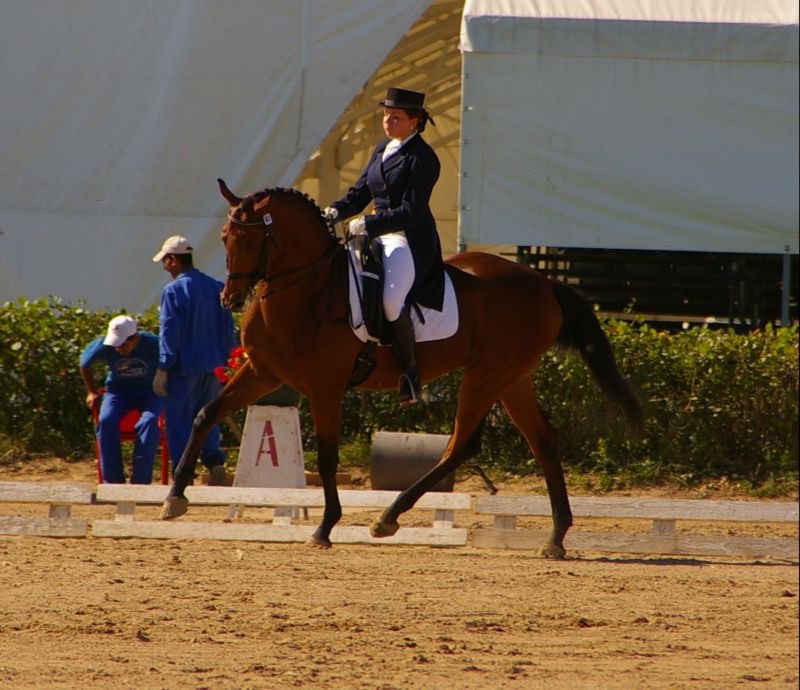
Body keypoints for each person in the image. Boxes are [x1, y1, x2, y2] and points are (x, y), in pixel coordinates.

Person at [323, 86, 444, 404]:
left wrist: (371, 222)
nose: (388, 121)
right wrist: (336, 210)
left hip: (407, 238)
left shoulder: (423, 158)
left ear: (414, 122)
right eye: (386, 115)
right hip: (373, 233)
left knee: (391, 300)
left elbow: (412, 211)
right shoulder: (382, 148)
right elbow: (360, 191)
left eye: (396, 117)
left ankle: (410, 374)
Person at [152, 235, 236, 485]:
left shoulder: (173, 290)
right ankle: (214, 462)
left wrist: (164, 367)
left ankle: (183, 472)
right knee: (208, 418)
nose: (164, 266)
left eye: (165, 261)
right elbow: (227, 329)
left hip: (183, 369)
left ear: (174, 260)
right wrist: (229, 365)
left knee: (178, 422)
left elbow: (169, 331)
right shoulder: (215, 287)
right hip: (214, 368)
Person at [79, 315, 162, 484]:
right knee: (106, 421)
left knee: (149, 422)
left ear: (135, 338)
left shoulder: (152, 343)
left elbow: (171, 362)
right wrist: (91, 391)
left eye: (123, 343)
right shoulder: (106, 344)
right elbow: (85, 363)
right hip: (118, 392)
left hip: (149, 392)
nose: (118, 348)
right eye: (115, 344)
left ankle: (141, 480)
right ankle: (113, 481)